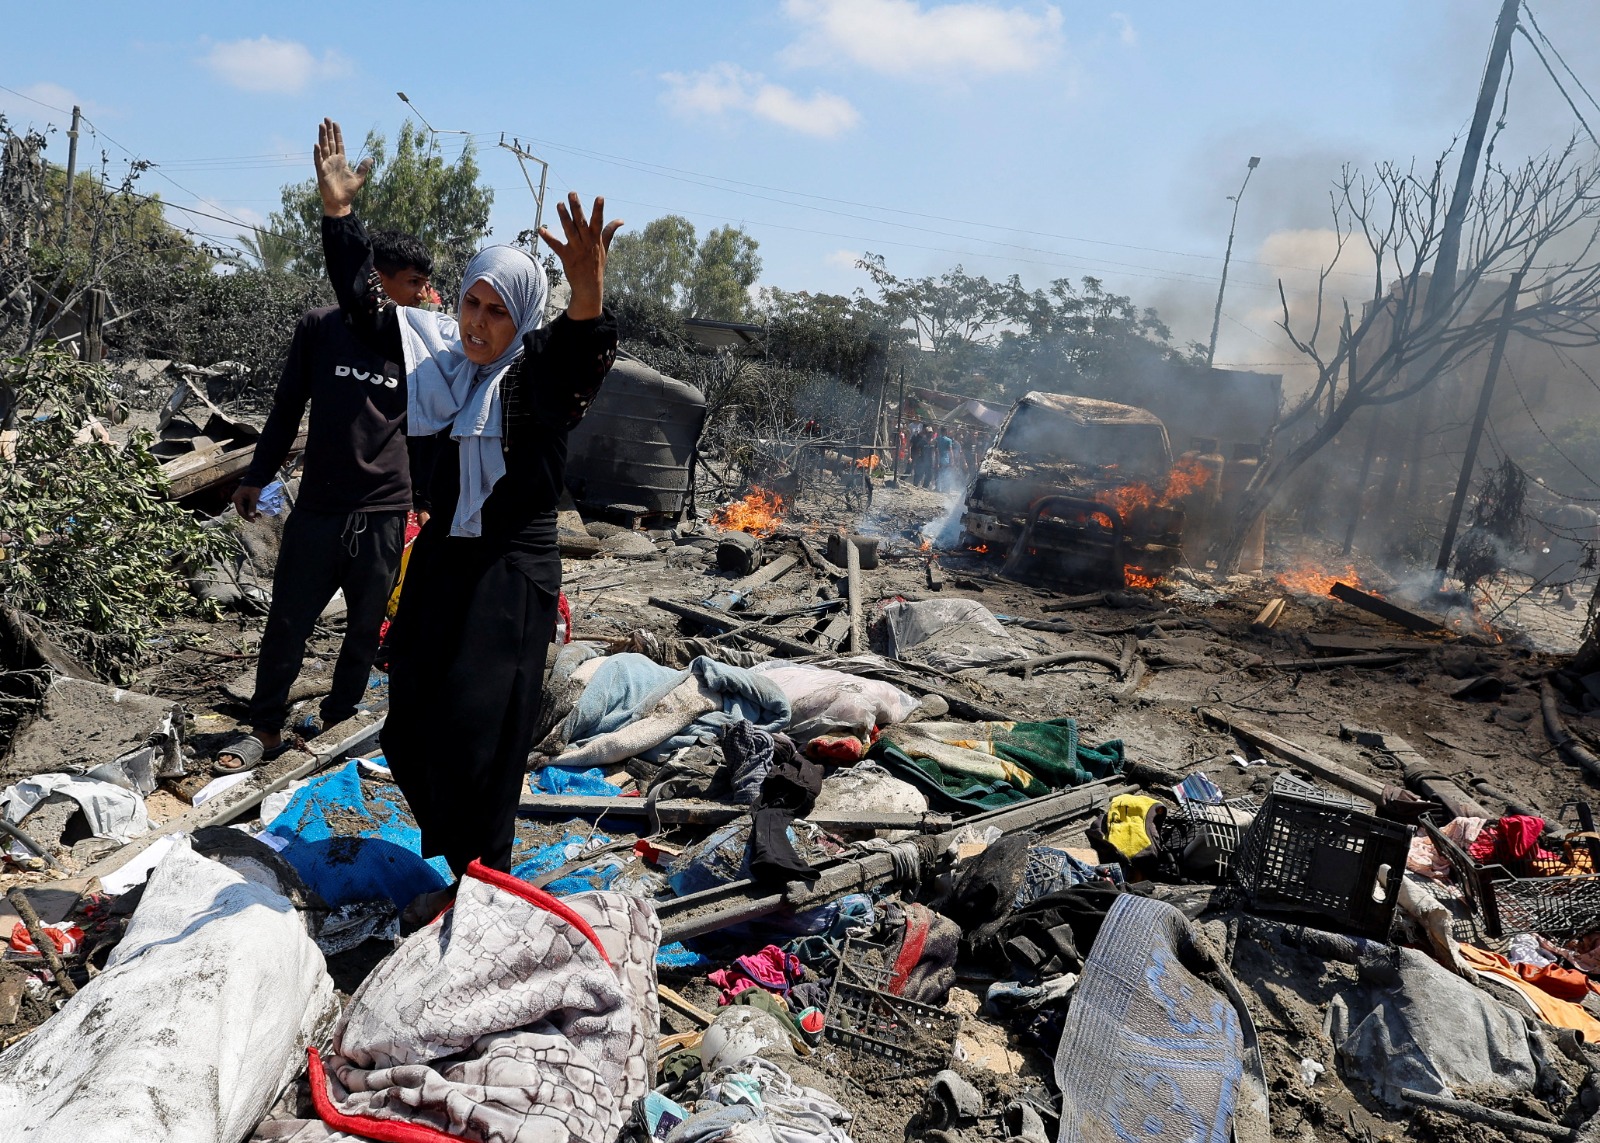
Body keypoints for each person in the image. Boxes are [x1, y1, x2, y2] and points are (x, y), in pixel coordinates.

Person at [314, 119, 619, 918]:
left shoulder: (532, 386)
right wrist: (338, 220)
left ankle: (478, 888)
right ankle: (463, 866)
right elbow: (367, 309)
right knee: (409, 724)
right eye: (472, 303)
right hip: (447, 562)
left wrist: (586, 294)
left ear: (522, 318)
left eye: (497, 312)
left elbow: (578, 356)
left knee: (486, 737)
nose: (478, 323)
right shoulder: (441, 367)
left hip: (510, 574)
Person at [218, 230, 436, 772]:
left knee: (365, 629)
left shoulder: (420, 342)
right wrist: (257, 475)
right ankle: (265, 728)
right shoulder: (320, 327)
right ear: (378, 281)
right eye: (413, 282)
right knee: (288, 621)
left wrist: (426, 498)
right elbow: (289, 403)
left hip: (385, 510)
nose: (425, 293)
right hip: (319, 507)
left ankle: (339, 721)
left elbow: (431, 430)